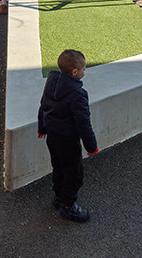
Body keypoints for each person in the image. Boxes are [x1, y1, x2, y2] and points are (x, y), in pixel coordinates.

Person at [38, 49, 98, 222]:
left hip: (53, 138)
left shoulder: (51, 83)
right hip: (68, 140)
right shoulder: (78, 94)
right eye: (83, 69)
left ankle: (59, 197)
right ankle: (68, 206)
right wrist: (91, 146)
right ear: (75, 72)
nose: (84, 72)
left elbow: (43, 106)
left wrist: (42, 127)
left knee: (58, 168)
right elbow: (83, 123)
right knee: (74, 173)